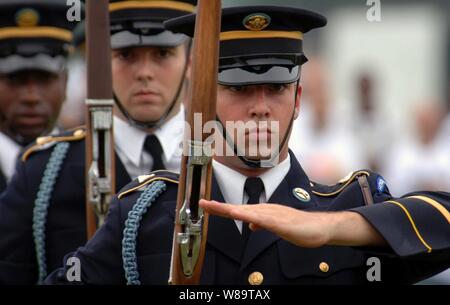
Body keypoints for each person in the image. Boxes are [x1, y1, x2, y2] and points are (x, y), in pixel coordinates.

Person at [46, 5, 450, 285]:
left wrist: (333, 227)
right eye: (238, 89)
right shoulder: (144, 215)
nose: (260, 108)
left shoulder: (350, 204)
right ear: (197, 100)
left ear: (298, 98)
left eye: (276, 88)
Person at [0, 0, 196, 284]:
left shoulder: (224, 163)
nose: (144, 72)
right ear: (102, 61)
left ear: (190, 61)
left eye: (162, 54)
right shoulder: (42, 174)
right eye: (126, 55)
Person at [0, 0, 77, 193]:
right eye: (16, 79)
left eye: (44, 79)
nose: (31, 97)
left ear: (65, 83)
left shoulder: (92, 166)